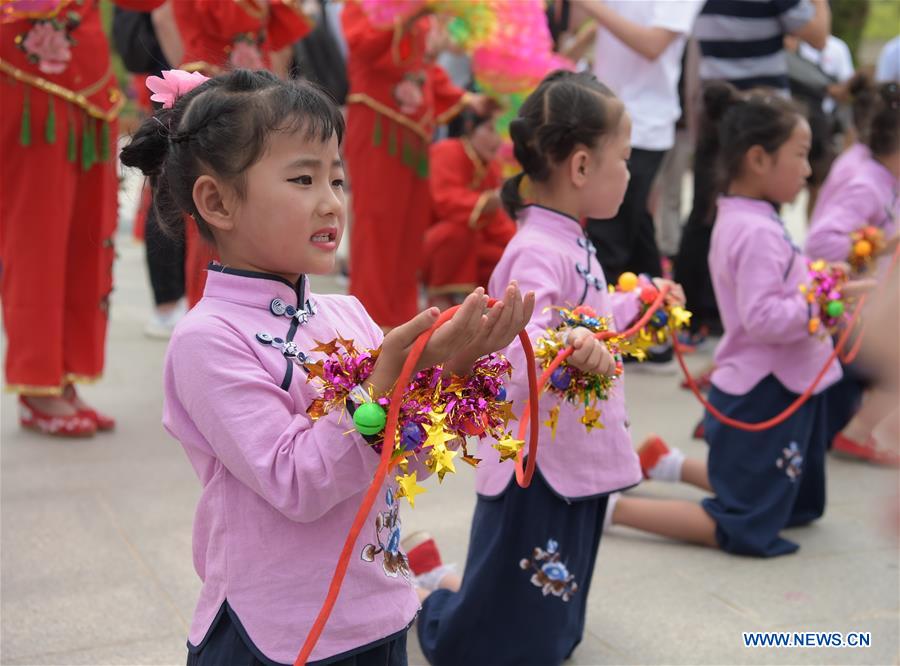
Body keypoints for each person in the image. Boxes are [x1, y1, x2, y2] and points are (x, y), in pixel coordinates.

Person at [119, 68, 532, 664]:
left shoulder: (346, 312)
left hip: (377, 606)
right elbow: (297, 482)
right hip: (278, 630)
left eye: (337, 178)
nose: (331, 201)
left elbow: (399, 453)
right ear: (217, 201)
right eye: (303, 178)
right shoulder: (207, 339)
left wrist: (454, 369)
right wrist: (386, 378)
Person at [412, 70, 684, 666]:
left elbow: (595, 315)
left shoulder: (571, 241)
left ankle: (442, 586)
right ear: (581, 167)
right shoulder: (537, 248)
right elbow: (514, 343)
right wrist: (571, 344)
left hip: (570, 453)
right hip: (536, 463)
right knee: (490, 636)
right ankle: (427, 596)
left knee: (549, 614)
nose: (631, 172)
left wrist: (642, 302)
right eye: (625, 158)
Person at [606, 82, 871, 558]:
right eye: (802, 155)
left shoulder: (752, 218)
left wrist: (823, 285)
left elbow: (778, 288)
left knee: (792, 499)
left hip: (784, 382)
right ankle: (608, 510)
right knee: (748, 523)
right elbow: (764, 317)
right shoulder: (754, 231)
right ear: (758, 159)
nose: (809, 170)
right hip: (765, 391)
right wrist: (821, 304)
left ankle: (667, 463)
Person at [1, 0, 163, 436]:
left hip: (91, 94)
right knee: (37, 241)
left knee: (88, 243)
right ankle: (38, 386)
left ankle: (67, 376)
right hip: (28, 90)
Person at [676, 0, 831, 338]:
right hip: (767, 125)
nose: (804, 170)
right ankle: (720, 318)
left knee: (705, 217)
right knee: (760, 228)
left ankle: (694, 317)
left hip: (720, 118)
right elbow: (819, 36)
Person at [341, 2, 493, 329]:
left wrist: (467, 99)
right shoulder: (362, 6)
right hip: (379, 126)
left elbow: (421, 68)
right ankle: (369, 323)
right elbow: (364, 47)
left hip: (414, 134)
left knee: (409, 232)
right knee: (378, 226)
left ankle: (401, 322)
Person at [172, 0, 313, 307]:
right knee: (215, 214)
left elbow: (285, 29)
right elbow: (224, 17)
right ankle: (210, 314)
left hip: (258, 94)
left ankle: (262, 308)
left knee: (260, 207)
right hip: (215, 89)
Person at [805, 78, 900, 465]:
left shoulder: (886, 181)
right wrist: (884, 245)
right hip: (846, 312)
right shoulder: (867, 184)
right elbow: (820, 242)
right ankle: (858, 432)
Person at [422, 109, 516, 309]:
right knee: (457, 231)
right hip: (426, 244)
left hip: (468, 246)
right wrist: (484, 202)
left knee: (505, 256)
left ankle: (483, 304)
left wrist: (520, 245)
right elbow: (445, 202)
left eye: (500, 132)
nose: (497, 140)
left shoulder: (491, 168)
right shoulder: (447, 150)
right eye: (491, 129)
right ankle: (442, 298)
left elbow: (495, 222)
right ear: (469, 127)